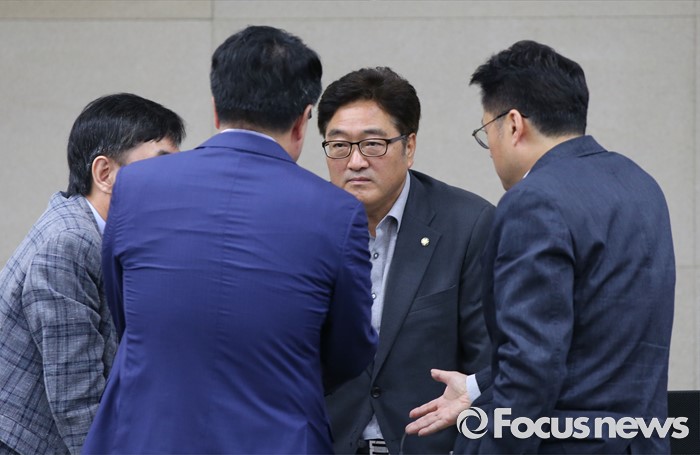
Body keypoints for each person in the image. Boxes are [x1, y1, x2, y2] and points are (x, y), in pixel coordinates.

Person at [82, 25, 377, 454]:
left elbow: (126, 311)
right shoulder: (336, 211)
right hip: (278, 438)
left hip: (148, 435)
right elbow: (351, 350)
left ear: (216, 109)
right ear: (303, 119)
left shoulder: (137, 185)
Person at [407, 40, 675, 454]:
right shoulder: (640, 184)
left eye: (486, 133)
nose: (491, 151)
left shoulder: (534, 201)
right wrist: (477, 386)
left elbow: (532, 364)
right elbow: (594, 344)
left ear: (513, 124)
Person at [317, 67, 494, 454]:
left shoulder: (467, 224)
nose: (355, 161)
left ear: (409, 146)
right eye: (339, 145)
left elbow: (489, 363)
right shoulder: (302, 225)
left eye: (373, 144)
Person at [0, 93, 184, 455]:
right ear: (104, 174)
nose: (174, 185)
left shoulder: (96, 233)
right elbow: (77, 404)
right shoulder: (69, 243)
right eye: (161, 168)